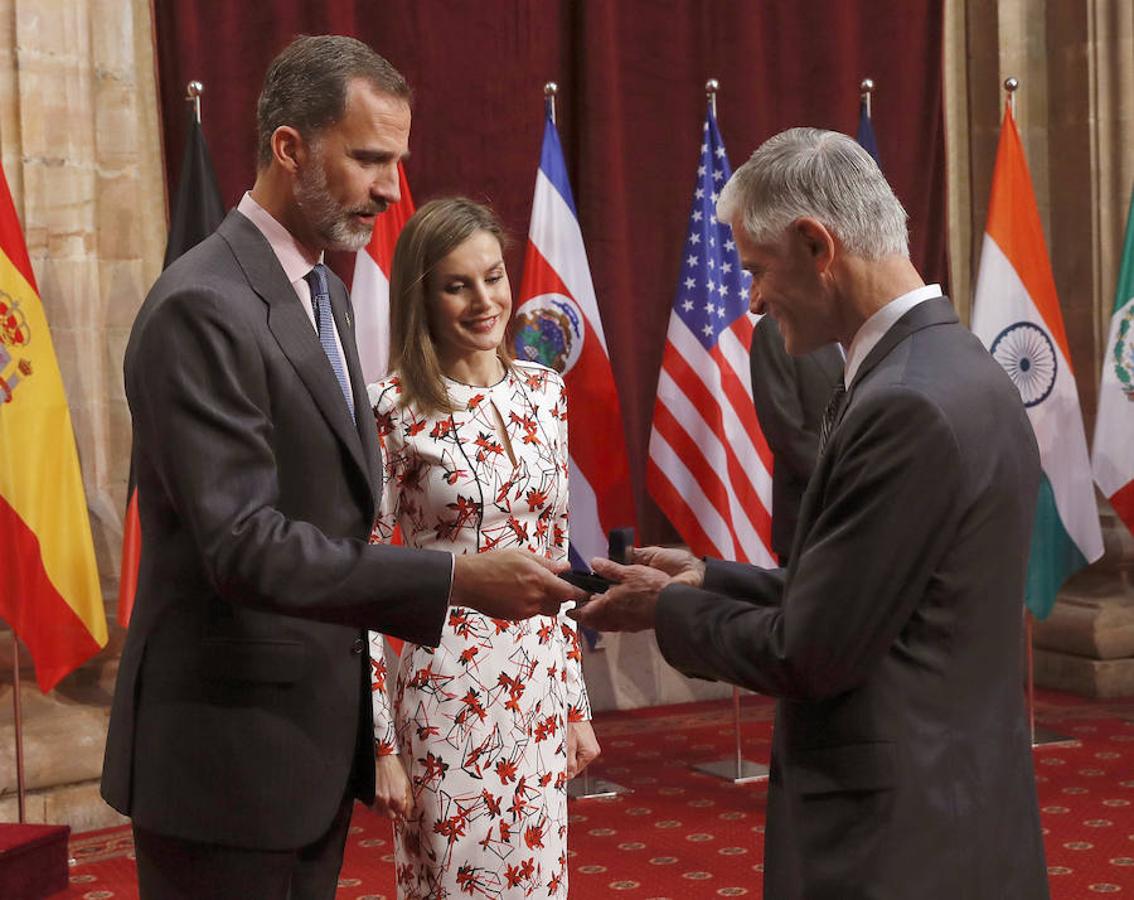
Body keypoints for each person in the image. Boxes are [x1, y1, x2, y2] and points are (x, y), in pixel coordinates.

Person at [100, 36, 580, 900]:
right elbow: (244, 545)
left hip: (298, 759)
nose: (392, 187)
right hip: (224, 764)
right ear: (290, 148)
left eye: (397, 160)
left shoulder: (313, 288)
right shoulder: (201, 307)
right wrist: (455, 579)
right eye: (368, 158)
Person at [574, 128, 1049, 898]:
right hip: (946, 806)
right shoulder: (954, 367)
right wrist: (710, 578)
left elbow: (810, 652)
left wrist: (670, 610)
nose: (753, 299)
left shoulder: (906, 404)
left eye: (758, 270)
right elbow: (876, 595)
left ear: (816, 244)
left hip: (899, 844)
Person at [364, 197, 599, 898]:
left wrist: (575, 703)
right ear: (422, 296)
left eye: (493, 277)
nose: (483, 300)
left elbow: (557, 558)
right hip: (446, 695)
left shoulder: (546, 394)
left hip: (536, 689)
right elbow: (364, 581)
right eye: (457, 284)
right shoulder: (390, 408)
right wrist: (380, 748)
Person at [749, 314, 843, 564]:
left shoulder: (863, 325)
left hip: (868, 523)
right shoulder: (775, 329)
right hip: (809, 520)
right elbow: (787, 433)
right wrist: (850, 480)